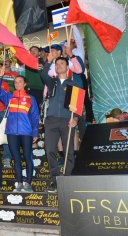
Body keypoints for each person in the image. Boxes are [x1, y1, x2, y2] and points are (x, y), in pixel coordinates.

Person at [0, 71, 39, 192]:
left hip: (26, 132)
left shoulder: (31, 98)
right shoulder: (9, 97)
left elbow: (35, 117)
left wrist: (35, 132)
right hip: (11, 132)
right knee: (16, 158)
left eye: (20, 82)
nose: (17, 83)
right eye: (16, 82)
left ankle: (28, 183)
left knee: (28, 157)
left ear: (25, 84)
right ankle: (19, 183)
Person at [41, 56, 79, 193]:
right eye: (57, 64)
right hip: (51, 121)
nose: (59, 65)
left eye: (62, 63)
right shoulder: (52, 83)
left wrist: (75, 119)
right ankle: (55, 180)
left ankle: (67, 180)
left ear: (67, 67)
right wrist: (49, 61)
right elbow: (43, 74)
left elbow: (77, 105)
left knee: (68, 151)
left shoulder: (73, 84)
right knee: (50, 150)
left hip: (66, 121)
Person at [0, 59, 18, 168]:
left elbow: (7, 98)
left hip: (2, 111)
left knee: (5, 134)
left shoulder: (5, 83)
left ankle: (7, 159)